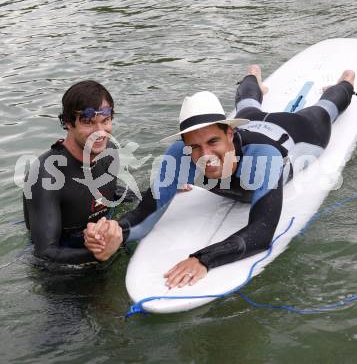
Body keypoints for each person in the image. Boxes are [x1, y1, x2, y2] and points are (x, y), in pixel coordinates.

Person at [84, 66, 355, 287]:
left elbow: (261, 233)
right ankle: (254, 78)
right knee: (247, 103)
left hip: (296, 131)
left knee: (326, 108)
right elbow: (145, 214)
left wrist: (203, 259)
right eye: (195, 147)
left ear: (229, 133)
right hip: (252, 118)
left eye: (213, 141)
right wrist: (117, 231)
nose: (205, 155)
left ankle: (346, 81)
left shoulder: (264, 158)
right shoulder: (178, 155)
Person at [23, 80, 127, 265]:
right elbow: (45, 253)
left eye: (106, 121)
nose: (100, 132)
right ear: (68, 123)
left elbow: (110, 193)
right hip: (62, 270)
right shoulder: (45, 174)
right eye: (88, 123)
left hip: (103, 241)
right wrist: (101, 253)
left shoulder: (109, 151)